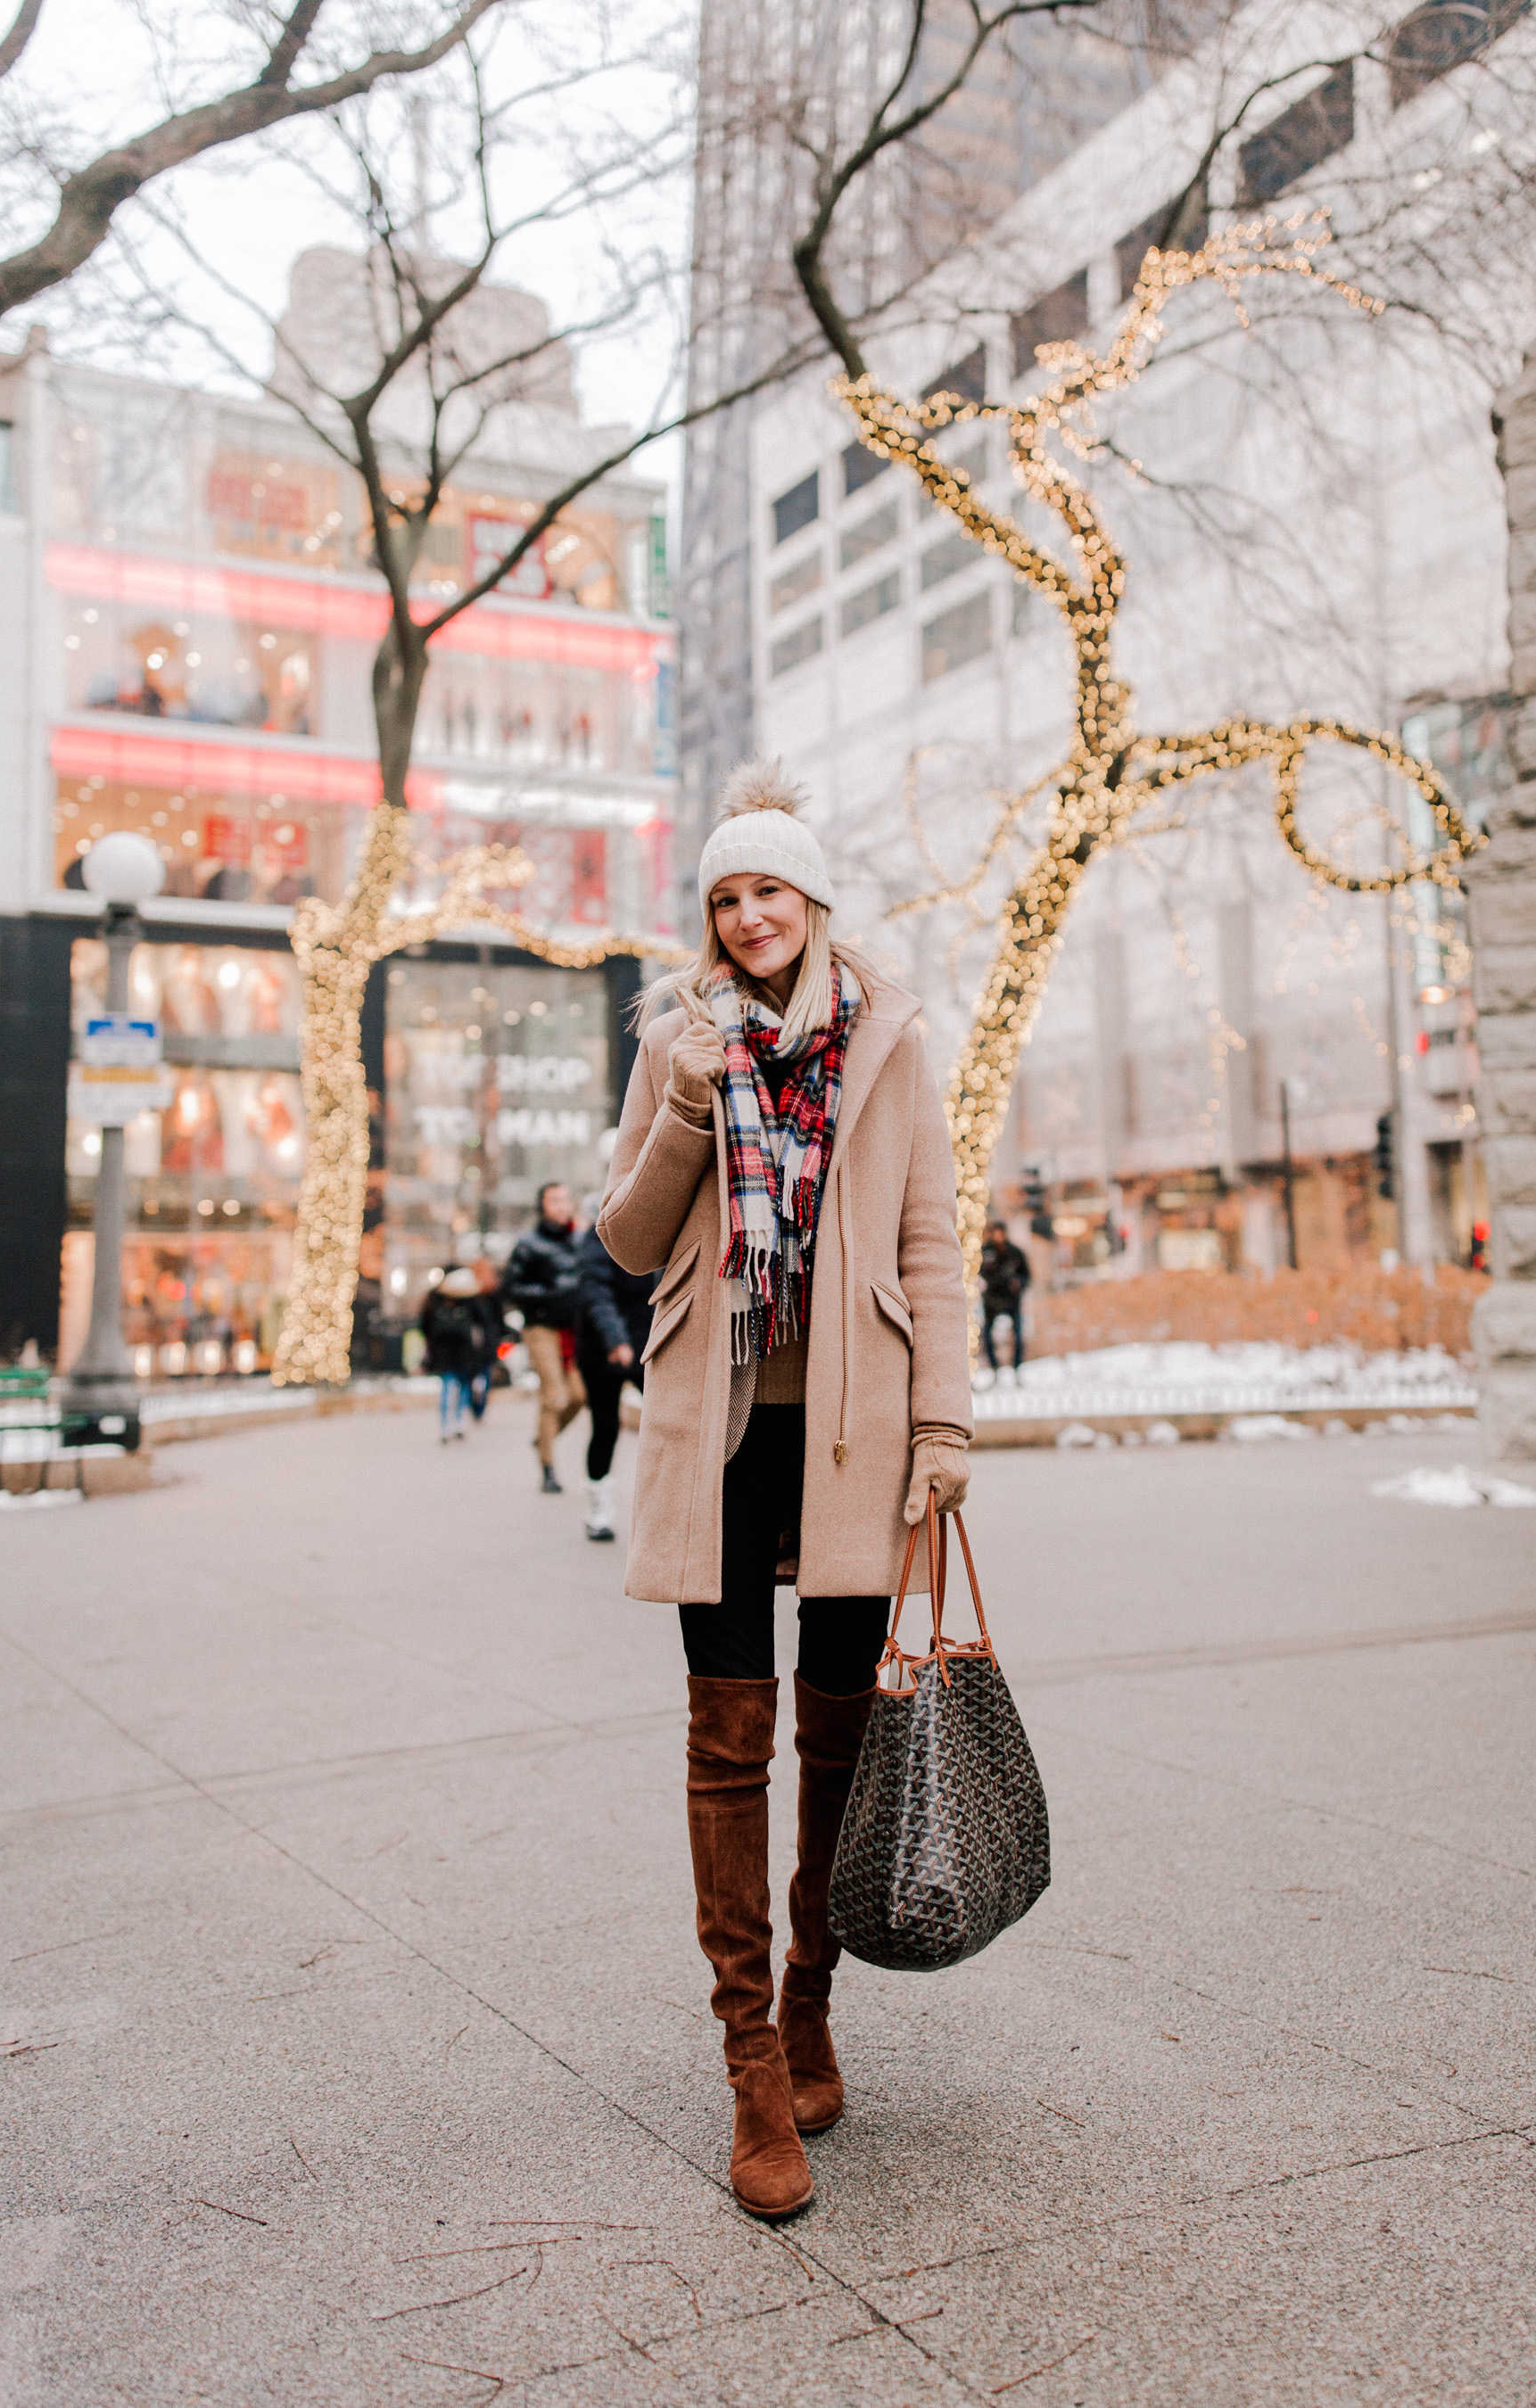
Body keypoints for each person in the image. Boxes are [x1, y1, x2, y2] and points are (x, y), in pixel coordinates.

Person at [599, 757, 971, 2222]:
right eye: (724, 897)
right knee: (724, 1739)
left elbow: (931, 1238)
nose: (748, 916)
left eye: (769, 889)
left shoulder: (888, 1039)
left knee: (837, 1735)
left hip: (852, 1434)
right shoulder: (675, 1040)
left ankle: (812, 1996)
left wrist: (942, 1424)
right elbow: (630, 1243)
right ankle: (751, 2057)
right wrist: (687, 1111)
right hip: (723, 1423)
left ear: (813, 899)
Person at [574, 1222, 657, 1541]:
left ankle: (664, 1508)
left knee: (665, 1422)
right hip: (602, 1348)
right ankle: (599, 1508)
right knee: (606, 1427)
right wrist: (615, 1340)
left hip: (646, 1342)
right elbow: (595, 1292)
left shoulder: (655, 1226)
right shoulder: (598, 1235)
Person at [503, 1182, 586, 1493]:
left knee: (579, 1395)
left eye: (566, 1198)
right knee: (553, 1396)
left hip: (573, 1330)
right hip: (541, 1328)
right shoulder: (528, 1243)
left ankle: (542, 1440)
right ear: (543, 1206)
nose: (562, 1205)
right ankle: (548, 1468)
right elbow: (510, 1289)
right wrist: (550, 1292)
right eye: (555, 1200)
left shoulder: (580, 1239)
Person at [418, 1266, 485, 1442]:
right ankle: (453, 1423)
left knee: (454, 1385)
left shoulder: (438, 1299)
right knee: (457, 1384)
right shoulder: (465, 1300)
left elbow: (425, 1324)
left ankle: (450, 1424)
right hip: (453, 1349)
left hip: (452, 1349)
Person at [979, 1218, 1031, 1375]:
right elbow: (981, 1274)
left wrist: (1018, 1284)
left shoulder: (1015, 1253)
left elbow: (1026, 1276)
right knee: (987, 1335)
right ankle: (994, 1369)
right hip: (992, 1301)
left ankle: (1017, 1368)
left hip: (1011, 1300)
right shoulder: (985, 1252)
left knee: (1018, 1334)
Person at [467, 1256, 505, 1421]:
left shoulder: (468, 1292)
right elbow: (499, 1316)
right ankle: (480, 1406)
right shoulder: (493, 1290)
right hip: (489, 1338)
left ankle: (473, 1404)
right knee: (486, 1373)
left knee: (470, 1375)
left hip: (472, 1340)